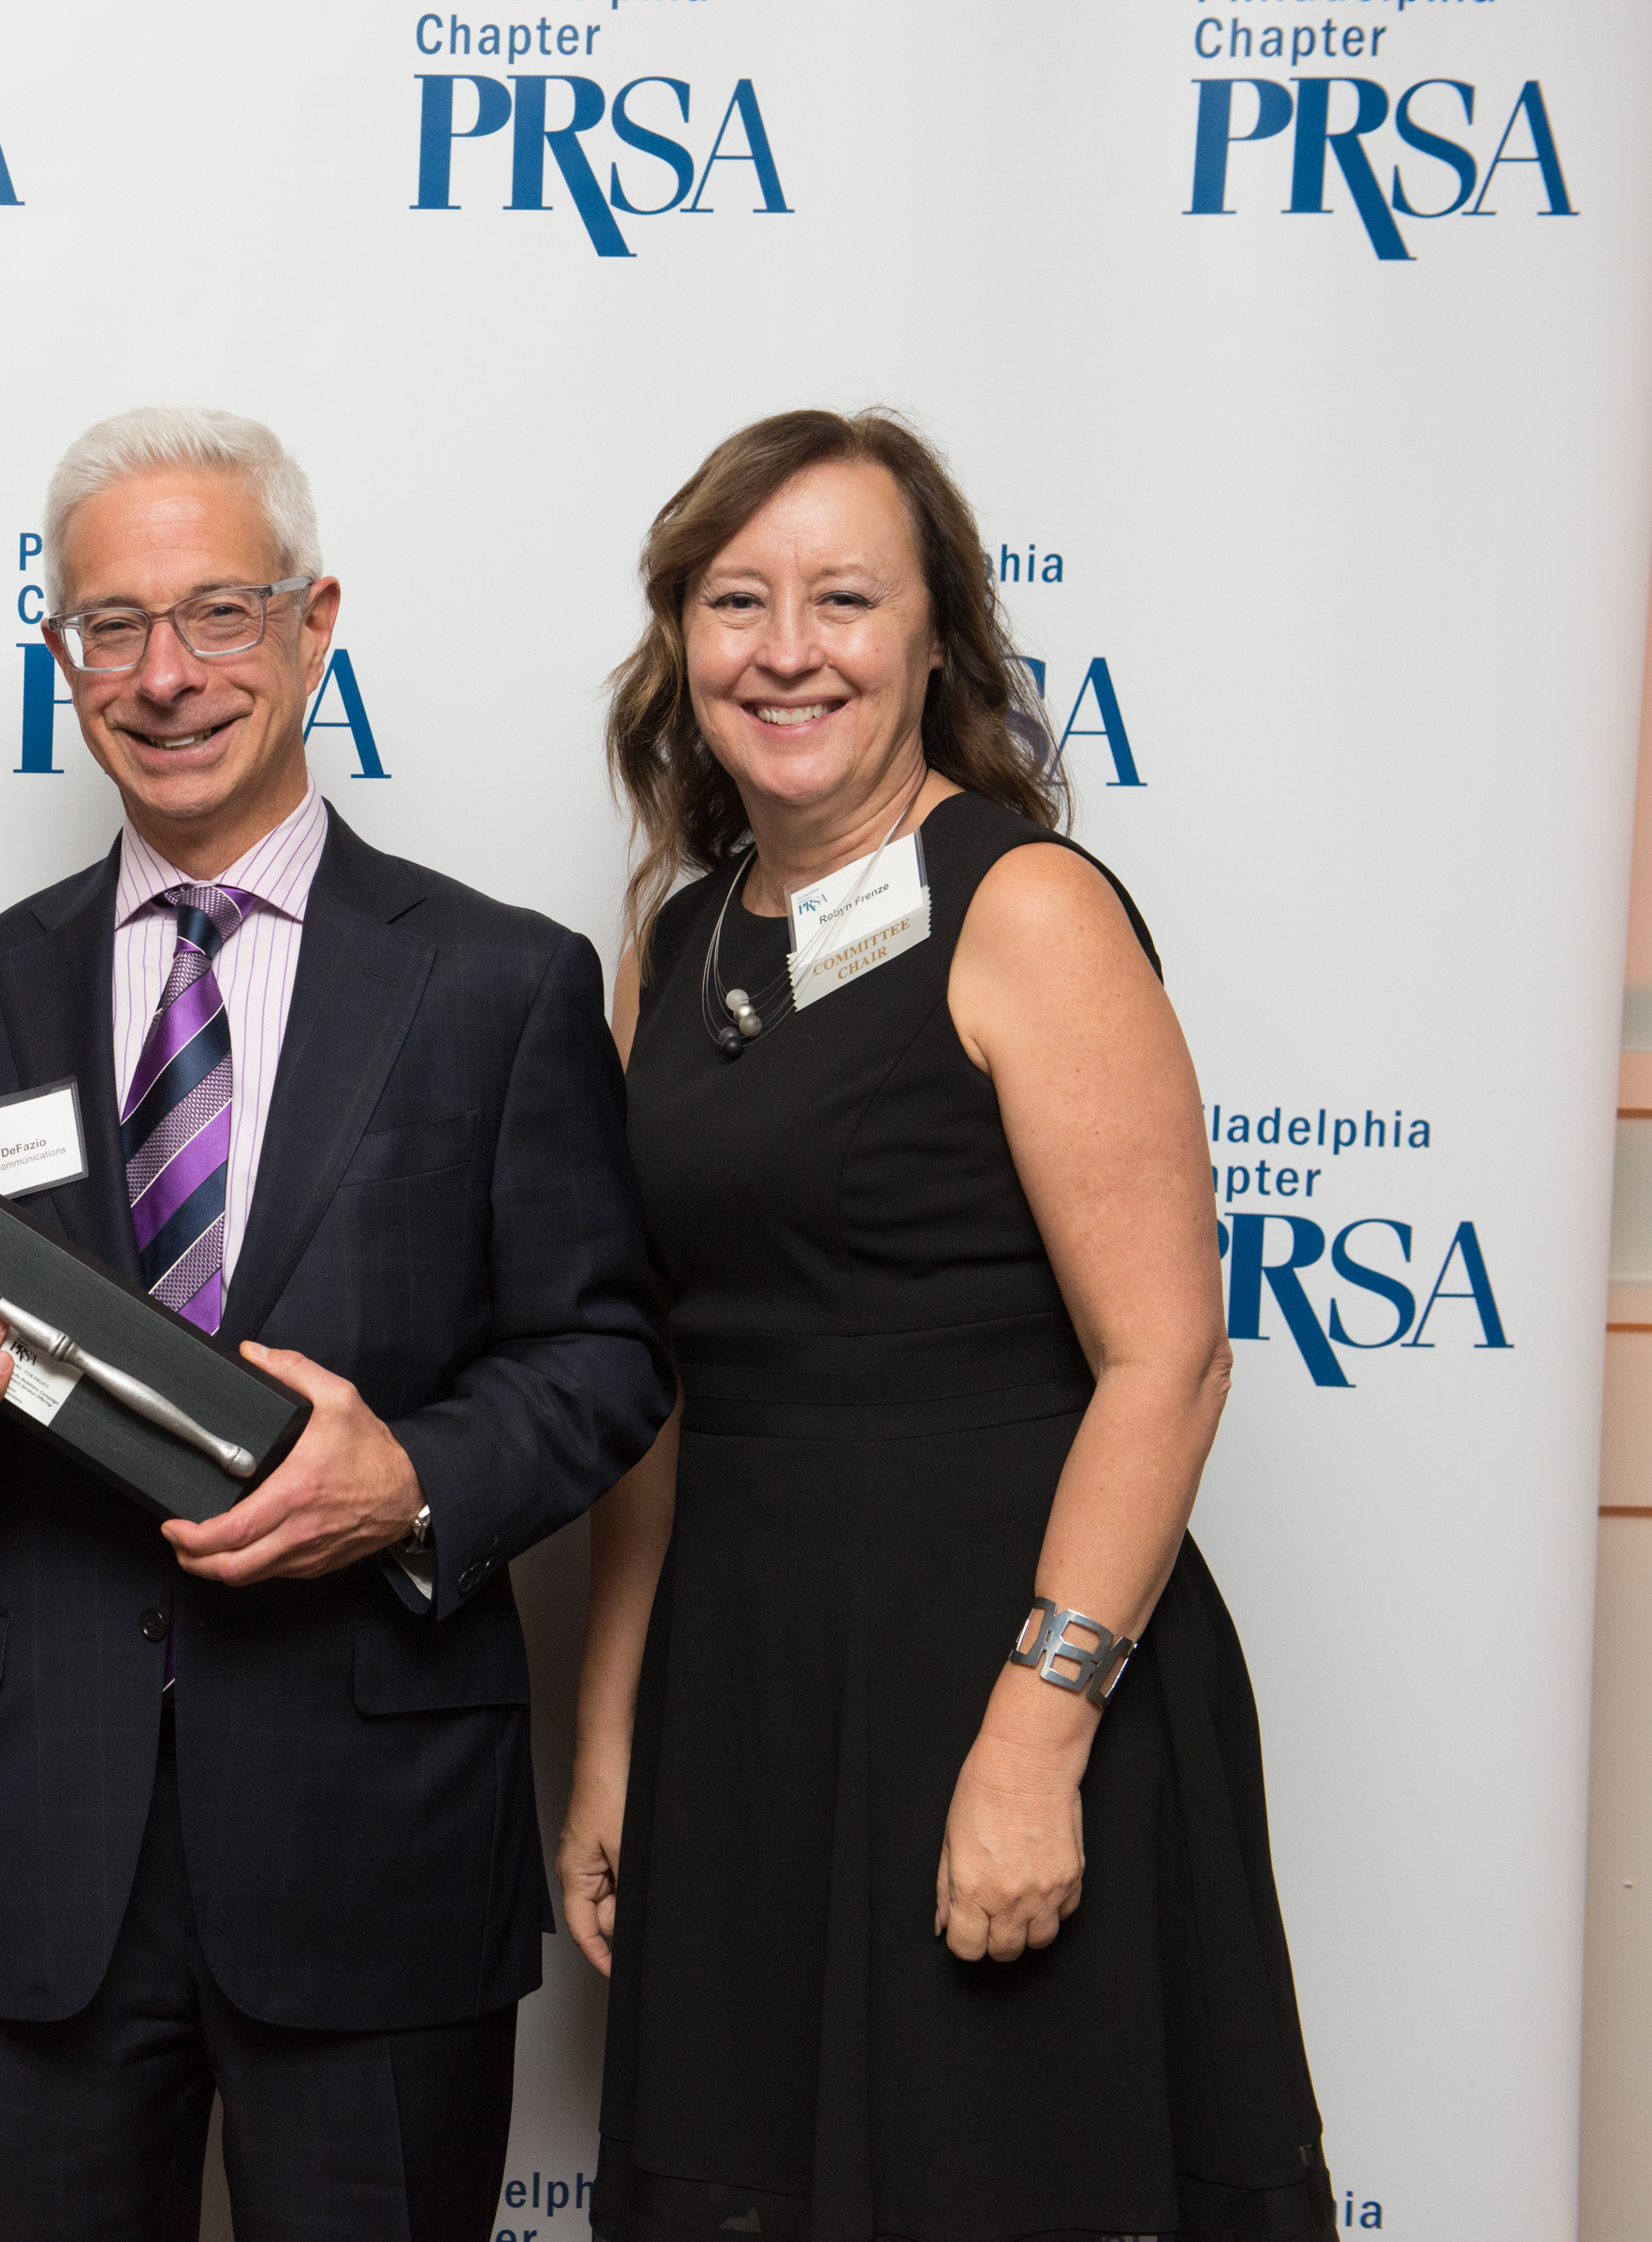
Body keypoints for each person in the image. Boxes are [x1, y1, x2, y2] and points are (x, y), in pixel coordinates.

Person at [0, 404, 674, 2241]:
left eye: (218, 614)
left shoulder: (495, 983)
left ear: (314, 626)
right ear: (60, 659)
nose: (165, 674)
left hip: (369, 1815)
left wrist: (412, 1483)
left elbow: (608, 1353)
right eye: (109, 627)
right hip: (49, 1833)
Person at [560, 407, 1333, 2241]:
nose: (786, 646)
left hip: (986, 1671)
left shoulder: (1026, 905)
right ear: (681, 642)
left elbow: (1169, 1357)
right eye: (734, 599)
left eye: (843, 596)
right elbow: (659, 1384)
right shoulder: (674, 943)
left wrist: (1034, 1735)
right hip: (748, 1697)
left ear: (934, 639)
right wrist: (609, 1734)